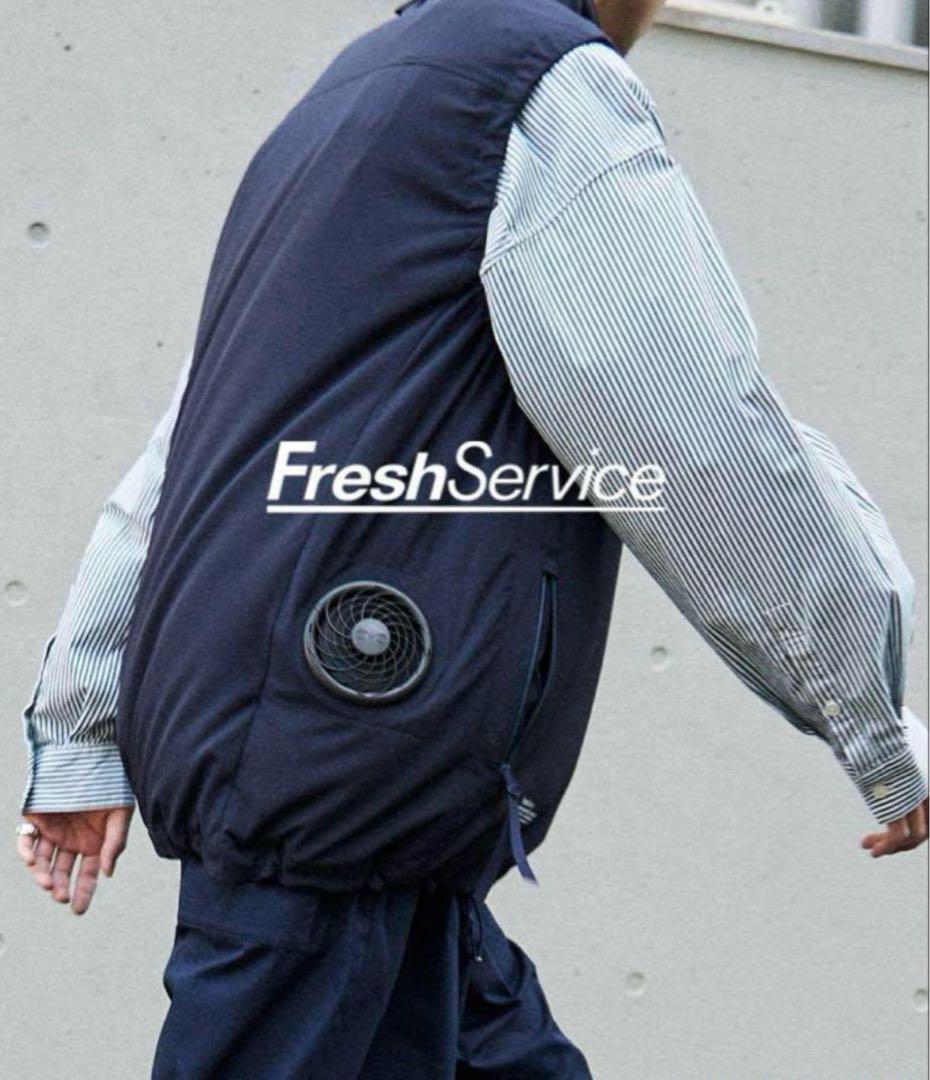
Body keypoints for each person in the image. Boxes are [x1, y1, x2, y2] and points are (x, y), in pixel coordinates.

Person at [15, 0, 928, 1076]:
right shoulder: (536, 84)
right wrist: (870, 720)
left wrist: (81, 722)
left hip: (369, 810)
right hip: (345, 789)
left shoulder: (356, 95)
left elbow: (184, 455)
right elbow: (688, 426)